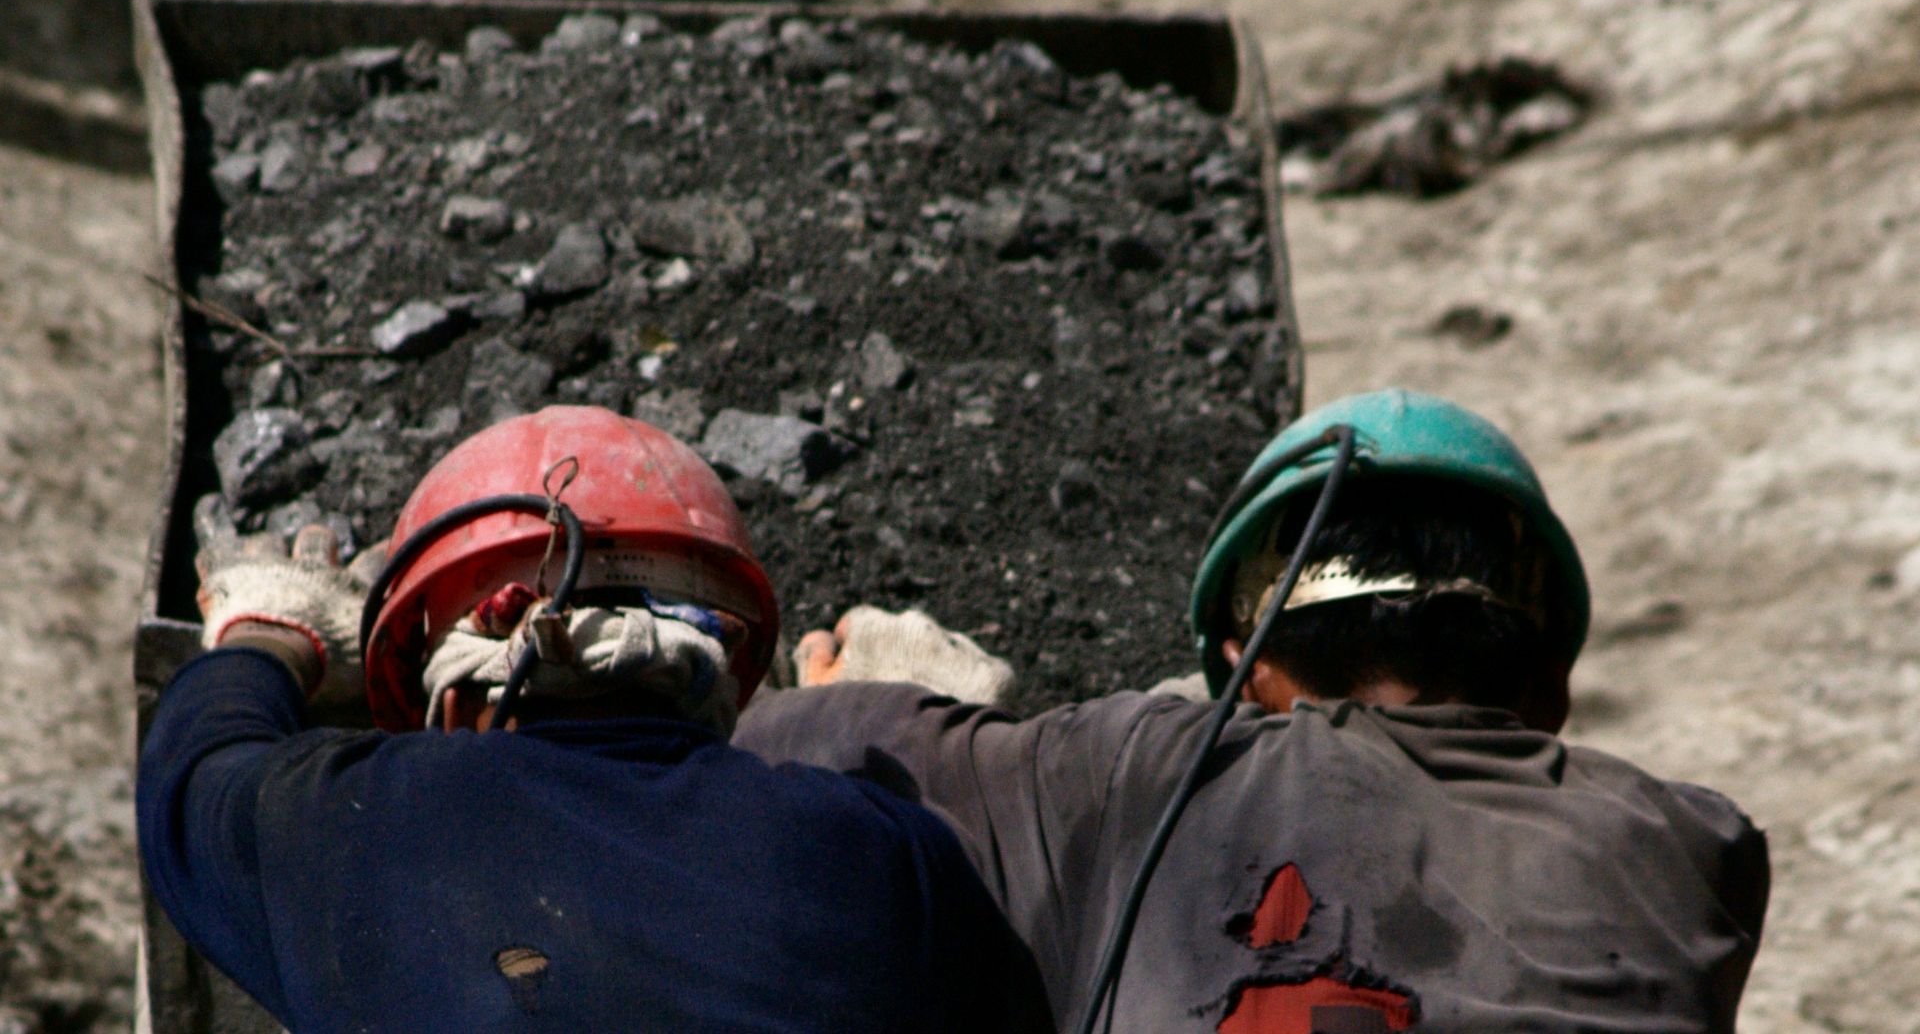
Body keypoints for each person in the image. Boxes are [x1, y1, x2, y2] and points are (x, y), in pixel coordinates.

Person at [733, 388, 1770, 1033]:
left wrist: (860, 695)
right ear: (1555, 685)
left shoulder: (1137, 772)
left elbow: (789, 733)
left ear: (1251, 671)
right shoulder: (1692, 848)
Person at [136, 405, 1049, 1032]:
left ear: (445, 678)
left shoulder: (353, 821)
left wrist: (272, 633)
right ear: (723, 657)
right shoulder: (881, 849)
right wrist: (911, 728)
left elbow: (190, 774)